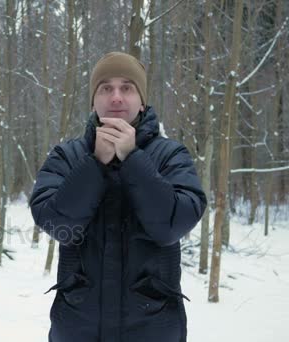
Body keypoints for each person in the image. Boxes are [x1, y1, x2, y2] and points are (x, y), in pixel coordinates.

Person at [29, 52, 207, 342]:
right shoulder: (67, 156)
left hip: (153, 327)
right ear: (93, 100)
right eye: (105, 88)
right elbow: (56, 224)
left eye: (127, 87)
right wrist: (96, 163)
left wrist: (133, 158)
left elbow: (172, 226)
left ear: (142, 100)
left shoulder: (170, 155)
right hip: (77, 326)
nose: (116, 98)